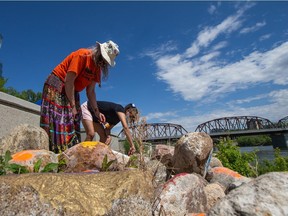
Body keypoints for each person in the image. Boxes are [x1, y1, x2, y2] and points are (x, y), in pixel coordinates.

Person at [40, 40, 120, 153]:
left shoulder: (97, 69)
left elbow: (91, 91)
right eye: (102, 59)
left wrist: (97, 112)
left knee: (73, 121)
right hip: (58, 84)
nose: (102, 63)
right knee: (58, 120)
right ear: (98, 52)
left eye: (105, 62)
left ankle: (67, 154)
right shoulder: (82, 55)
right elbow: (69, 81)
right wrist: (72, 105)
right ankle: (51, 152)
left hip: (73, 91)